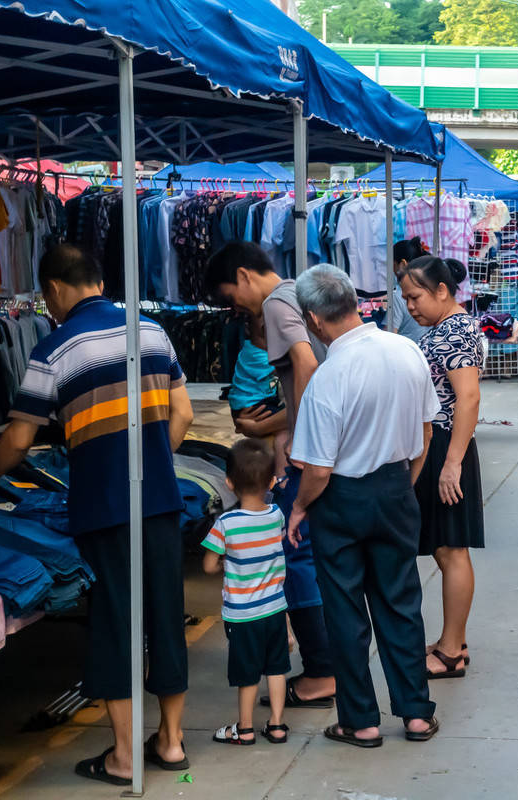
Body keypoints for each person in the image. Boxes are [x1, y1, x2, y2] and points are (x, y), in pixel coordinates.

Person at [0, 243, 194, 784]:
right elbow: (181, 413)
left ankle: (122, 757)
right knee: (164, 615)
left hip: (103, 508)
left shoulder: (55, 350)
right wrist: (151, 462)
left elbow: (20, 438)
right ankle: (173, 742)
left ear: (55, 290)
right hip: (160, 500)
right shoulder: (153, 332)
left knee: (116, 622)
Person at [286, 264, 441, 748]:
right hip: (396, 489)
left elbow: (317, 470)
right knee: (401, 603)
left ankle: (361, 720)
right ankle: (416, 713)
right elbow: (426, 430)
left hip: (342, 500)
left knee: (346, 612)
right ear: (354, 300)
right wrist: (403, 482)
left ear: (313, 319)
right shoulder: (406, 350)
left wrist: (298, 510)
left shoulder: (329, 376)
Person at [204, 241, 336, 709]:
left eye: (228, 295)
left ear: (243, 276)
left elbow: (307, 366)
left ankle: (322, 672)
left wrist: (300, 437)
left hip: (311, 452)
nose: (233, 306)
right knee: (311, 558)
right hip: (321, 448)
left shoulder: (279, 301)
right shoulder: (296, 295)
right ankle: (325, 666)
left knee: (296, 558)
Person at [399, 255, 484, 680]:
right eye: (406, 299)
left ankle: (451, 651)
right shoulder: (447, 328)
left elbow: (467, 398)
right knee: (444, 546)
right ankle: (454, 640)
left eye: (415, 297)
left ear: (441, 291)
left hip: (447, 447)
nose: (410, 306)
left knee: (451, 549)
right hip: (441, 447)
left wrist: (451, 463)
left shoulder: (455, 329)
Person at [201, 438, 291, 746]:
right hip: (276, 608)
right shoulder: (277, 515)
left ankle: (246, 728)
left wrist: (229, 561)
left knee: (248, 674)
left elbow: (209, 565)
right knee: (277, 668)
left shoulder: (226, 523)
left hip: (242, 615)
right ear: (270, 481)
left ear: (228, 483)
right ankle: (277, 725)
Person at [229, 315, 289, 475]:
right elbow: (285, 370)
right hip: (252, 403)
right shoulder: (255, 354)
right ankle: (282, 477)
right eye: (265, 336)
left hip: (253, 401)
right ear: (250, 331)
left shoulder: (255, 350)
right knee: (284, 431)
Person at [390, 237, 431, 343]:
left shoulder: (399, 297)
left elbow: (389, 336)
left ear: (402, 264)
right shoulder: (430, 291)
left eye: (393, 265)